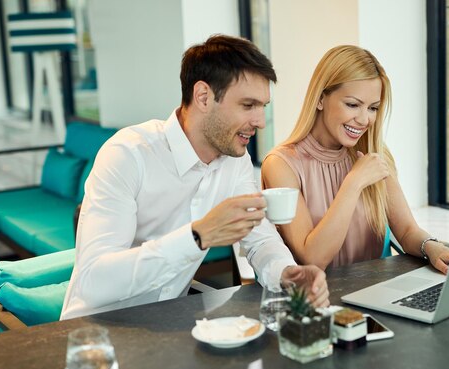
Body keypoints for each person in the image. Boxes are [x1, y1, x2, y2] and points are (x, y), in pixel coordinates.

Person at [60, 35, 329, 320]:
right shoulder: (127, 154)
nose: (260, 121)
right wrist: (197, 236)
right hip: (93, 336)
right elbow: (94, 283)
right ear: (203, 96)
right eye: (248, 105)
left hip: (169, 329)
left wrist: (287, 272)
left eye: (263, 107)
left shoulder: (234, 161)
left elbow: (260, 239)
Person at [261, 45, 449, 272]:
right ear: (321, 99)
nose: (364, 119)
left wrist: (431, 247)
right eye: (353, 105)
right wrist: (353, 183)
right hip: (315, 300)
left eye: (373, 108)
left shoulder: (375, 154)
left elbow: (407, 231)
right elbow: (313, 259)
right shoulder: (281, 165)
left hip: (373, 293)